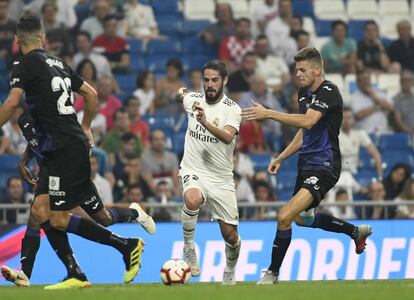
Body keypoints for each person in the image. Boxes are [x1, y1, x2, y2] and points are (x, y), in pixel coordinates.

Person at [0, 16, 143, 289]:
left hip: (64, 148)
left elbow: (11, 102)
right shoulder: (57, 62)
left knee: (58, 217)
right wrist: (86, 127)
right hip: (63, 146)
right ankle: (30, 274)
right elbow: (90, 93)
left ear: (17, 41)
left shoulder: (22, 63)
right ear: (42, 38)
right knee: (40, 211)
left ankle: (125, 246)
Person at [241, 47, 372, 284]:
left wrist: (269, 113)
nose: (298, 74)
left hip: (325, 164)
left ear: (317, 69)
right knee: (303, 219)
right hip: (306, 166)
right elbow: (305, 132)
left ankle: (272, 273)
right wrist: (281, 157)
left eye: (302, 69)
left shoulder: (329, 91)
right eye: (296, 70)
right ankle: (355, 232)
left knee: (284, 216)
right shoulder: (304, 94)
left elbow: (309, 121)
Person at [1, 110, 156, 287]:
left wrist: (86, 129)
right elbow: (34, 142)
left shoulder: (51, 109)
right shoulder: (27, 118)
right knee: (40, 214)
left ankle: (131, 223)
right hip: (50, 173)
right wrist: (23, 161)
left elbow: (89, 98)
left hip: (70, 168)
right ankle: (31, 273)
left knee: (102, 218)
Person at [175, 60, 242, 285]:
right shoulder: (193, 100)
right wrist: (180, 93)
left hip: (221, 178)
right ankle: (188, 247)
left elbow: (227, 136)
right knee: (192, 199)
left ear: (224, 81)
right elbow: (181, 97)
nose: (210, 85)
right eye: (206, 80)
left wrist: (204, 123)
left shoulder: (233, 109)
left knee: (231, 237)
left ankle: (230, 269)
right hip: (193, 169)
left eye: (215, 80)